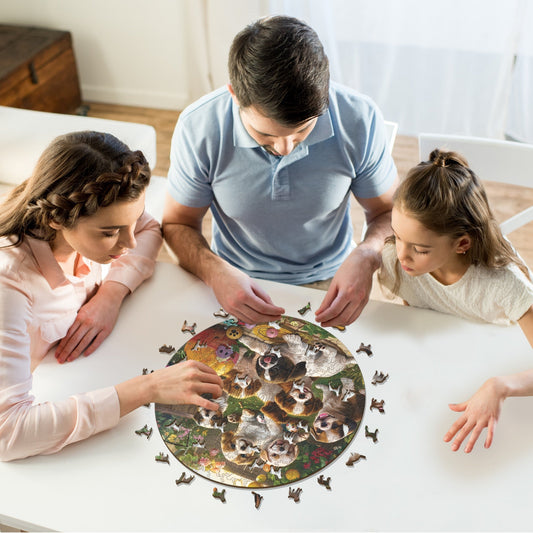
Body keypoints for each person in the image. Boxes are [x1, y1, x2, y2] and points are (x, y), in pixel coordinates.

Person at [162, 15, 398, 327]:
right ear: (235, 95)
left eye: (302, 132)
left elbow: (389, 212)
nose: (286, 148)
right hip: (231, 279)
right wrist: (214, 272)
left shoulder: (359, 118)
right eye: (266, 136)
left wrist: (367, 256)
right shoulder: (199, 128)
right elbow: (178, 223)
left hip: (331, 279)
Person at [0, 131, 222, 461]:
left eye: (130, 222)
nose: (129, 244)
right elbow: (9, 433)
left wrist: (111, 294)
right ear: (56, 218)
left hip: (80, 369)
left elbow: (148, 230)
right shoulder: (10, 287)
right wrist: (148, 388)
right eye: (110, 232)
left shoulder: (95, 219)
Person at [378, 148, 533, 453]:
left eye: (419, 249)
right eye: (397, 236)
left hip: (508, 374)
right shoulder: (398, 263)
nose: (400, 255)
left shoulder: (505, 285)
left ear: (462, 243)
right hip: (448, 366)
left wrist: (499, 387)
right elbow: (419, 312)